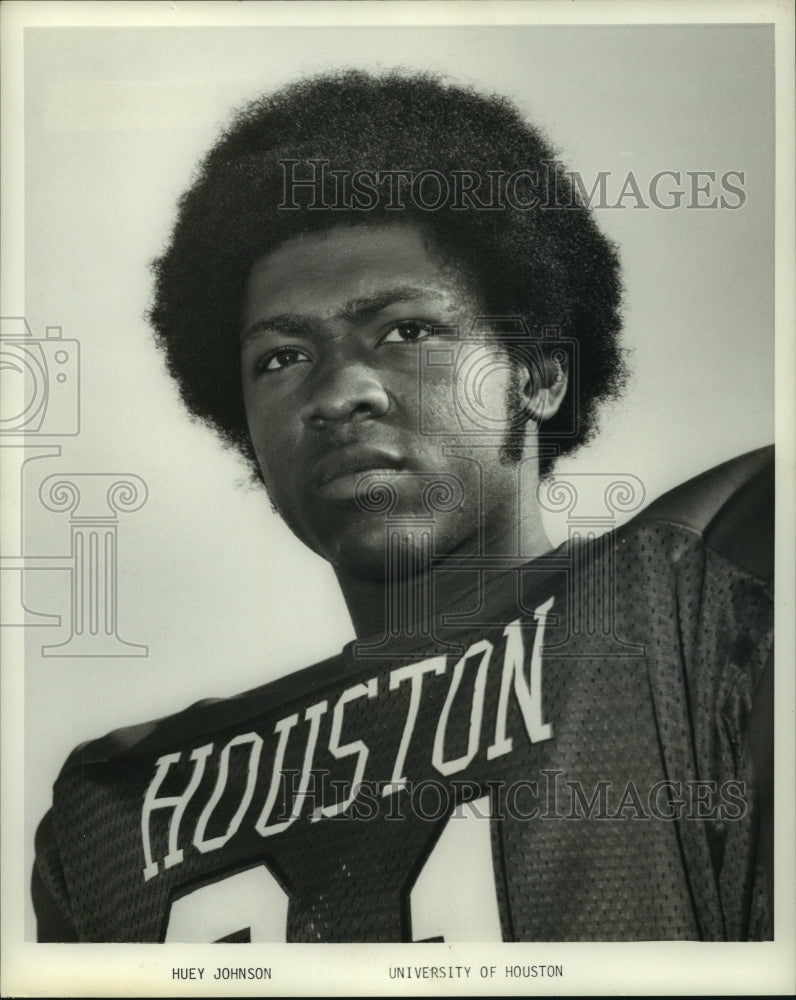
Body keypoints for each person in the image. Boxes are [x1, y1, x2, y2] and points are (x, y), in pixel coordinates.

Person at [32, 70, 773, 943]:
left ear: (537, 373)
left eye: (407, 332)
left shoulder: (705, 581)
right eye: (280, 357)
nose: (340, 390)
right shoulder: (114, 811)